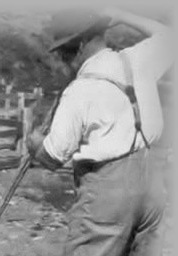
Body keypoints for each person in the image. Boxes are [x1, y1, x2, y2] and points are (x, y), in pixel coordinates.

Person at [26, 7, 173, 256]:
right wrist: (123, 14)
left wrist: (33, 142)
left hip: (107, 196)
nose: (62, 58)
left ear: (81, 44)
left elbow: (52, 156)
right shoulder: (137, 59)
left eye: (64, 50)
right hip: (152, 188)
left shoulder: (79, 91)